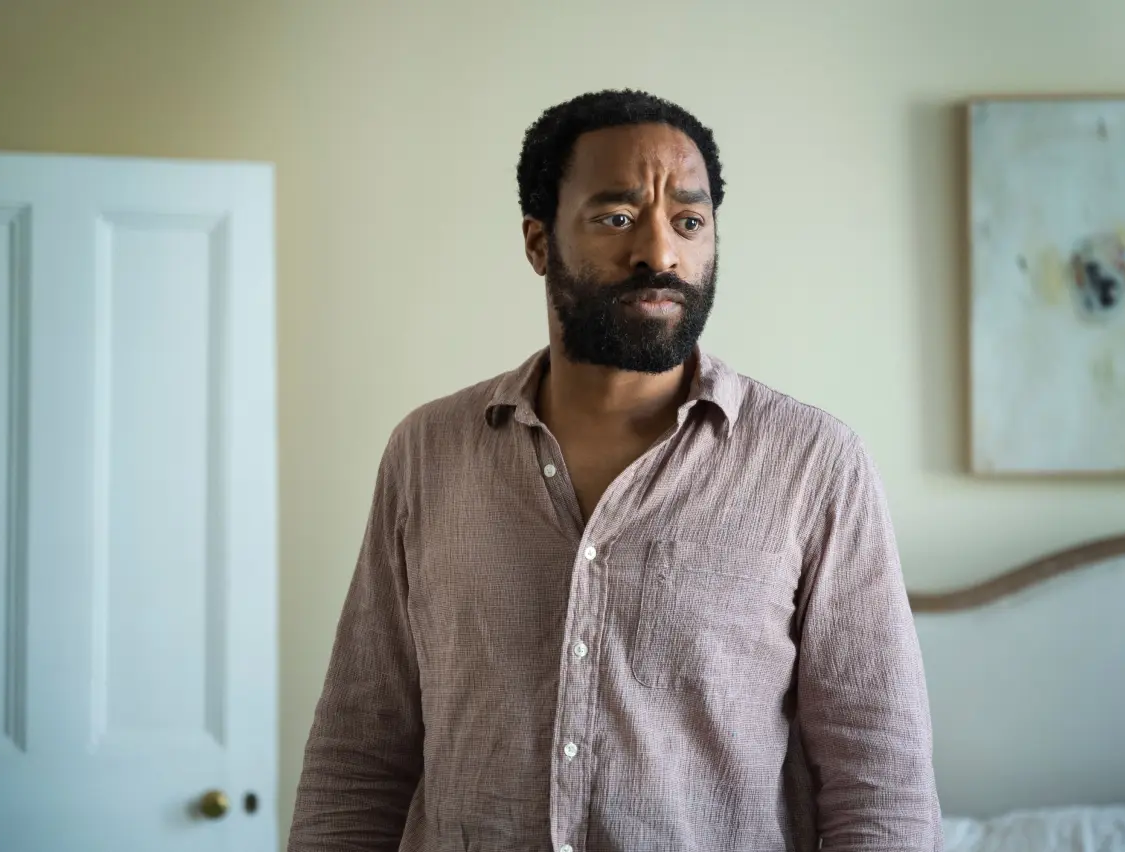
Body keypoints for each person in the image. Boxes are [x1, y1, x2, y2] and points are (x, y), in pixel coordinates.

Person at [288, 89, 942, 852]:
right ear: (539, 243)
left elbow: (881, 777)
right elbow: (361, 746)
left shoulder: (814, 463)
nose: (659, 254)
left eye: (689, 222)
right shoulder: (428, 452)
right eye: (618, 217)